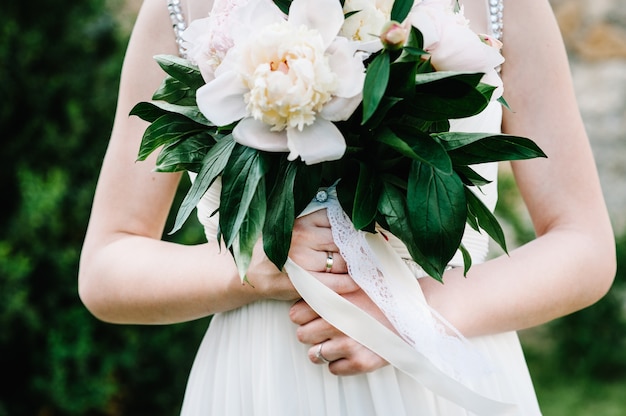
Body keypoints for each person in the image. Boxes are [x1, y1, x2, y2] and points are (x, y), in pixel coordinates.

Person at [78, 0, 616, 414]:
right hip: (262, 382)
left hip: (444, 370)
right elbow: (107, 266)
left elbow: (583, 245)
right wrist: (254, 266)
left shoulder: (502, 3)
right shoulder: (187, 8)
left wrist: (411, 319)